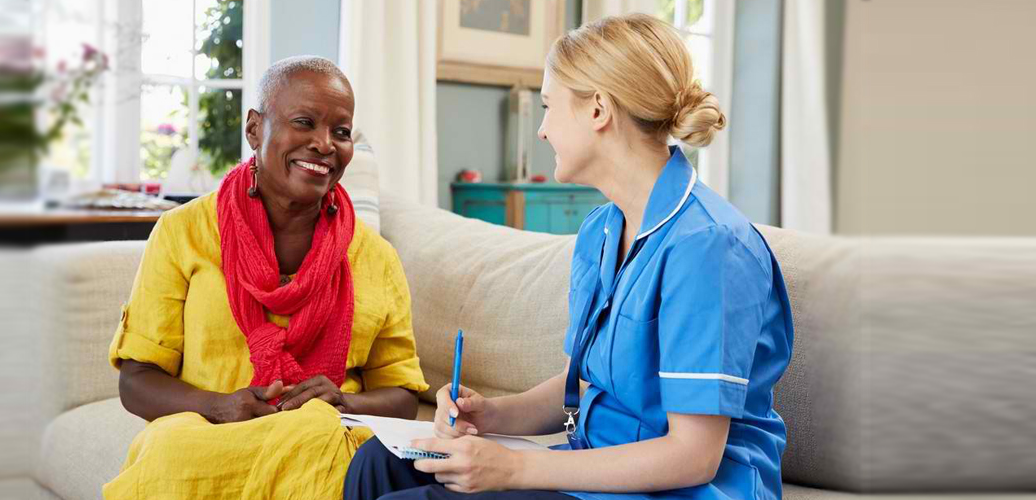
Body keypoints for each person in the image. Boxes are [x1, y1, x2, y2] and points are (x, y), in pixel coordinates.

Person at [344, 13, 793, 500]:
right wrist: (490, 415)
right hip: (594, 469)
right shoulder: (600, 232)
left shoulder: (710, 247)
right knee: (379, 463)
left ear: (598, 109)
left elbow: (692, 457)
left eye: (548, 106)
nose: (541, 130)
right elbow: (578, 387)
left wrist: (512, 468)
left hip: (681, 489)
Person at [103, 55, 427, 500]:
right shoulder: (184, 233)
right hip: (207, 433)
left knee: (320, 439)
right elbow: (136, 380)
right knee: (170, 448)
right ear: (255, 128)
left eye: (341, 131)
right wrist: (216, 406)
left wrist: (342, 401)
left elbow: (402, 394)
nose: (324, 144)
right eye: (304, 122)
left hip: (319, 438)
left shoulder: (376, 257)